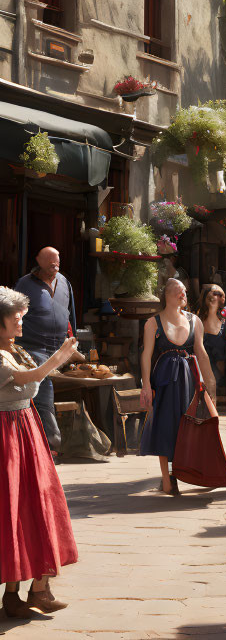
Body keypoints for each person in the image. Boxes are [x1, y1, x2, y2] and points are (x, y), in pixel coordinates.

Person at [0, 286, 78, 617]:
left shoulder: (16, 349)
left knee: (39, 503)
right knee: (13, 508)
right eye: (14, 316)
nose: (20, 320)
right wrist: (58, 357)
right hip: (6, 436)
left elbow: (31, 382)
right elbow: (28, 378)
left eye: (21, 315)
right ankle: (17, 594)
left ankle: (35, 590)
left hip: (26, 429)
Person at [138, 279, 217, 495]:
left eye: (183, 290)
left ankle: (193, 472)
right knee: (165, 426)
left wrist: (211, 383)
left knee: (190, 425)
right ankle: (167, 480)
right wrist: (145, 385)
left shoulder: (195, 321)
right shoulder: (153, 323)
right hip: (164, 379)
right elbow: (146, 355)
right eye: (177, 290)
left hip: (190, 378)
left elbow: (201, 352)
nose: (182, 293)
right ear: (166, 294)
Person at [13, 248, 79, 452]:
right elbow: (14, 315)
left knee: (79, 383)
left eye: (57, 261)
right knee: (44, 392)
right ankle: (52, 444)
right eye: (50, 261)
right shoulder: (25, 284)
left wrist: (73, 342)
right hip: (34, 347)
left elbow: (71, 315)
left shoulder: (64, 283)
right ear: (38, 261)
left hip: (60, 347)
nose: (54, 264)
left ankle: (64, 440)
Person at [196, 284, 226, 397]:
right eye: (216, 293)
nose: (219, 297)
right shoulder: (196, 318)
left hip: (221, 370)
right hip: (202, 369)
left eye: (222, 295)